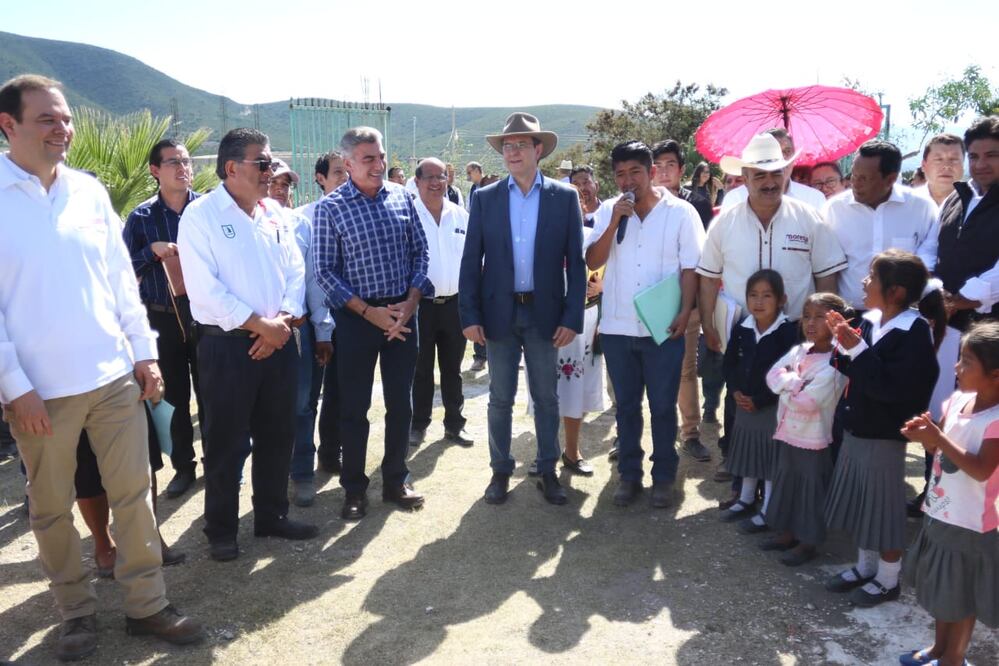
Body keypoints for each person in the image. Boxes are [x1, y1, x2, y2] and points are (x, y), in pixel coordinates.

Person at [0, 74, 203, 660]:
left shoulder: (88, 192)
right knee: (50, 508)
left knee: (135, 493)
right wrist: (16, 388)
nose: (62, 129)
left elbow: (120, 283)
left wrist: (144, 354)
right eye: (47, 119)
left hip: (113, 377)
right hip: (40, 393)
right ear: (8, 125)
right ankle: (75, 613)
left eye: (65, 118)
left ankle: (147, 605)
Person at [179, 128, 318, 561]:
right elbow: (204, 291)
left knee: (279, 433)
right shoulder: (201, 216)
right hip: (228, 347)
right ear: (231, 168)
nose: (270, 170)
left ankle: (271, 515)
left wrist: (281, 324)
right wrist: (261, 325)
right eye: (262, 162)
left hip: (278, 342)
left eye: (271, 161)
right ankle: (221, 528)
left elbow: (296, 271)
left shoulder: (274, 213)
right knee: (226, 440)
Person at [698, 133, 846, 481]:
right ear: (744, 177)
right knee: (739, 400)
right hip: (743, 331)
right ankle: (738, 470)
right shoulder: (724, 223)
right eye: (759, 175)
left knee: (792, 405)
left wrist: (824, 330)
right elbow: (707, 278)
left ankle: (782, 479)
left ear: (787, 174)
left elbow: (826, 278)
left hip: (795, 332)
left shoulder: (810, 219)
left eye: (776, 173)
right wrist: (709, 325)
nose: (769, 182)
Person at [458, 112, 585, 506]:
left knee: (546, 397)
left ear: (538, 150)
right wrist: (470, 315)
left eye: (520, 145)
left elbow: (576, 264)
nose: (512, 152)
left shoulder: (564, 198)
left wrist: (572, 317)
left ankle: (547, 469)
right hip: (498, 315)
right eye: (506, 146)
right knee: (499, 397)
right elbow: (471, 261)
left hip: (545, 315)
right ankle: (500, 470)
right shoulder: (485, 198)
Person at [313, 126, 431, 521]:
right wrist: (370, 313)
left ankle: (396, 480)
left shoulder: (402, 197)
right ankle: (354, 488)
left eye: (380, 156)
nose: (379, 164)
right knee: (354, 408)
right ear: (347, 164)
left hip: (403, 315)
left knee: (401, 404)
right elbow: (326, 271)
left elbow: (421, 252)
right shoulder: (331, 208)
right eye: (368, 158)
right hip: (357, 321)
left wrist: (410, 303)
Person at [585, 140, 705, 507]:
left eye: (635, 172)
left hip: (663, 327)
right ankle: (629, 476)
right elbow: (592, 260)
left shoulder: (681, 213)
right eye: (620, 174)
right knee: (626, 407)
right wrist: (615, 222)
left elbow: (690, 267)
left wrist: (685, 312)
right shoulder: (608, 210)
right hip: (619, 328)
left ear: (652, 172)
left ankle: (665, 476)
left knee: (663, 405)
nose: (628, 180)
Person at [823, 249, 945, 607]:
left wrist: (857, 349)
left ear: (896, 292)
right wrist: (841, 341)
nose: (864, 282)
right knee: (862, 503)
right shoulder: (869, 320)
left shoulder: (913, 331)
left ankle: (888, 579)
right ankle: (864, 567)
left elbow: (894, 389)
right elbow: (846, 365)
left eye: (872, 278)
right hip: (856, 428)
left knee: (885, 509)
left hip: (884, 437)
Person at [900, 321, 999, 666]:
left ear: (996, 375)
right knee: (944, 590)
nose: (956, 368)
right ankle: (939, 648)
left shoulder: (996, 421)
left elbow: (981, 469)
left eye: (967, 362)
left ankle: (954, 658)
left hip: (970, 525)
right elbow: (940, 449)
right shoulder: (957, 400)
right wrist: (925, 434)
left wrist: (938, 439)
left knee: (962, 596)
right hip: (940, 511)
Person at [122, 138, 204, 499]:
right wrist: (149, 252)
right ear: (155, 171)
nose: (183, 168)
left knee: (214, 392)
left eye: (186, 161)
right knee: (173, 398)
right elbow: (120, 270)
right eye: (173, 162)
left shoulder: (208, 210)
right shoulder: (141, 217)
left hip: (206, 317)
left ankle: (220, 462)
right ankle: (183, 466)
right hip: (160, 317)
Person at [762, 293, 849, 566]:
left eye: (820, 317)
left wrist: (788, 386)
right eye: (807, 316)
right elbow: (771, 375)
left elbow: (808, 403)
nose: (811, 323)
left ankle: (808, 541)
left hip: (814, 439)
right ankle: (787, 532)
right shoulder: (799, 351)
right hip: (788, 432)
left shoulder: (837, 363)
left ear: (837, 322)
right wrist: (796, 382)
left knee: (810, 490)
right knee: (787, 482)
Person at [268, 159, 335, 507]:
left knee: (302, 405)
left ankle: (302, 473)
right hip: (256, 333)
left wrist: (322, 331)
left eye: (286, 186)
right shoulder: (241, 224)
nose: (281, 191)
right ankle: (267, 479)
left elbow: (313, 283)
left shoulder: (301, 225)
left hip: (299, 331)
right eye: (274, 184)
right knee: (262, 411)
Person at [719, 270, 798, 528]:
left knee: (769, 460)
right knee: (749, 456)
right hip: (743, 406)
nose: (759, 302)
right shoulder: (743, 327)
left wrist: (761, 399)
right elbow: (729, 363)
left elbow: (790, 372)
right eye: (753, 295)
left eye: (766, 296)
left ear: (781, 299)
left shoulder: (788, 332)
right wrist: (735, 391)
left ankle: (768, 509)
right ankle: (745, 498)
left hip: (771, 408)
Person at [652, 140, 715, 463]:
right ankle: (629, 438)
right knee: (640, 374)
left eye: (670, 165)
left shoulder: (697, 203)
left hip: (685, 303)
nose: (664, 172)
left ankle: (690, 433)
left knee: (686, 371)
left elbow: (700, 259)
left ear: (681, 170)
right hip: (647, 304)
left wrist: (699, 307)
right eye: (658, 165)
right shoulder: (639, 203)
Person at [824, 140, 940, 311]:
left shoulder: (921, 208)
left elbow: (930, 258)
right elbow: (826, 266)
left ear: (891, 179)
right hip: (850, 315)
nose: (855, 183)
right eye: (853, 175)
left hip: (904, 316)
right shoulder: (834, 209)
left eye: (864, 178)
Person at [410, 157, 473, 447]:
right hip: (420, 306)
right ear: (418, 181)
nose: (437, 183)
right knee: (420, 370)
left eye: (442, 177)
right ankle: (419, 424)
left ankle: (455, 424)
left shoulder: (460, 215)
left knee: (453, 369)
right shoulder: (408, 214)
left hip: (454, 305)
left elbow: (474, 261)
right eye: (430, 177)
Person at [298, 151, 349, 475]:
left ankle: (331, 454)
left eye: (348, 172)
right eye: (337, 173)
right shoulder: (306, 218)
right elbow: (311, 278)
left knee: (341, 391)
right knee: (308, 396)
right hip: (318, 320)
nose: (344, 178)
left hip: (354, 317)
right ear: (320, 178)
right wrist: (322, 330)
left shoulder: (358, 214)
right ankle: (301, 461)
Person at [936, 116, 999, 333]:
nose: (980, 165)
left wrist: (959, 300)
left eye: (992, 156)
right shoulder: (957, 196)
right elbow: (931, 245)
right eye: (973, 156)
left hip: (991, 331)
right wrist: (934, 289)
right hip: (949, 322)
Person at [721, 128, 827, 213]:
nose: (782, 157)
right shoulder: (735, 198)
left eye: (787, 151)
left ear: (794, 157)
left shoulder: (814, 198)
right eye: (775, 153)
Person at [915, 133, 965, 207]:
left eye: (954, 159)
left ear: (963, 165)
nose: (947, 166)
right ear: (923, 165)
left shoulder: (976, 205)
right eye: (939, 159)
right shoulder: (907, 204)